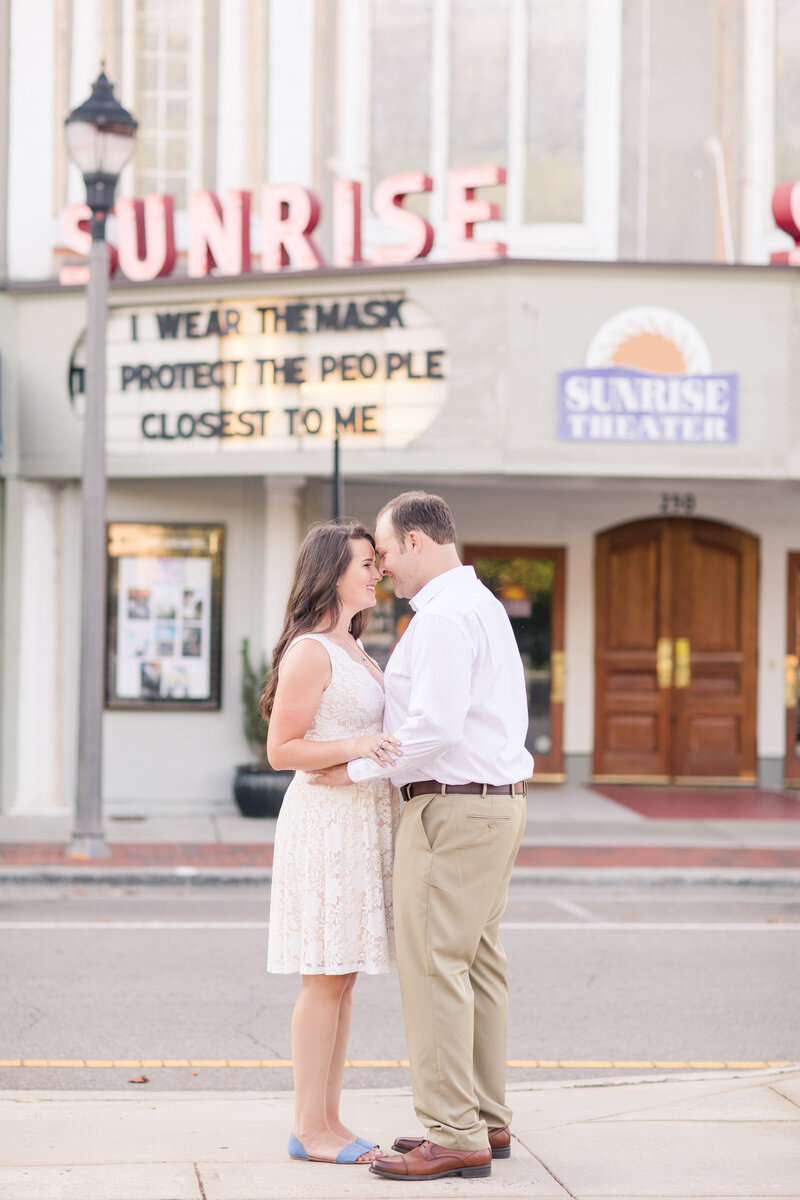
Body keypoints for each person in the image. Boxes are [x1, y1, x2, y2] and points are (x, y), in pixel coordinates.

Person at [310, 492, 534, 1183]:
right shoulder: (482, 606)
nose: (382, 571)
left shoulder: (441, 617)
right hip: (495, 806)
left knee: (435, 967)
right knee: (477, 966)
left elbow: (433, 727)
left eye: (383, 555)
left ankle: (453, 1132)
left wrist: (351, 771)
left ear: (415, 541)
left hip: (452, 809)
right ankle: (482, 1117)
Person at [263, 521, 403, 1166]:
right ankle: (307, 1129)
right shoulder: (310, 651)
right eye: (365, 562)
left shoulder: (354, 648)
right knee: (323, 977)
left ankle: (328, 1119)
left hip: (361, 822)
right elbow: (281, 750)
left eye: (376, 562)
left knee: (343, 977)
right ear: (331, 572)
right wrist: (356, 747)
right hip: (324, 826)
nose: (376, 571)